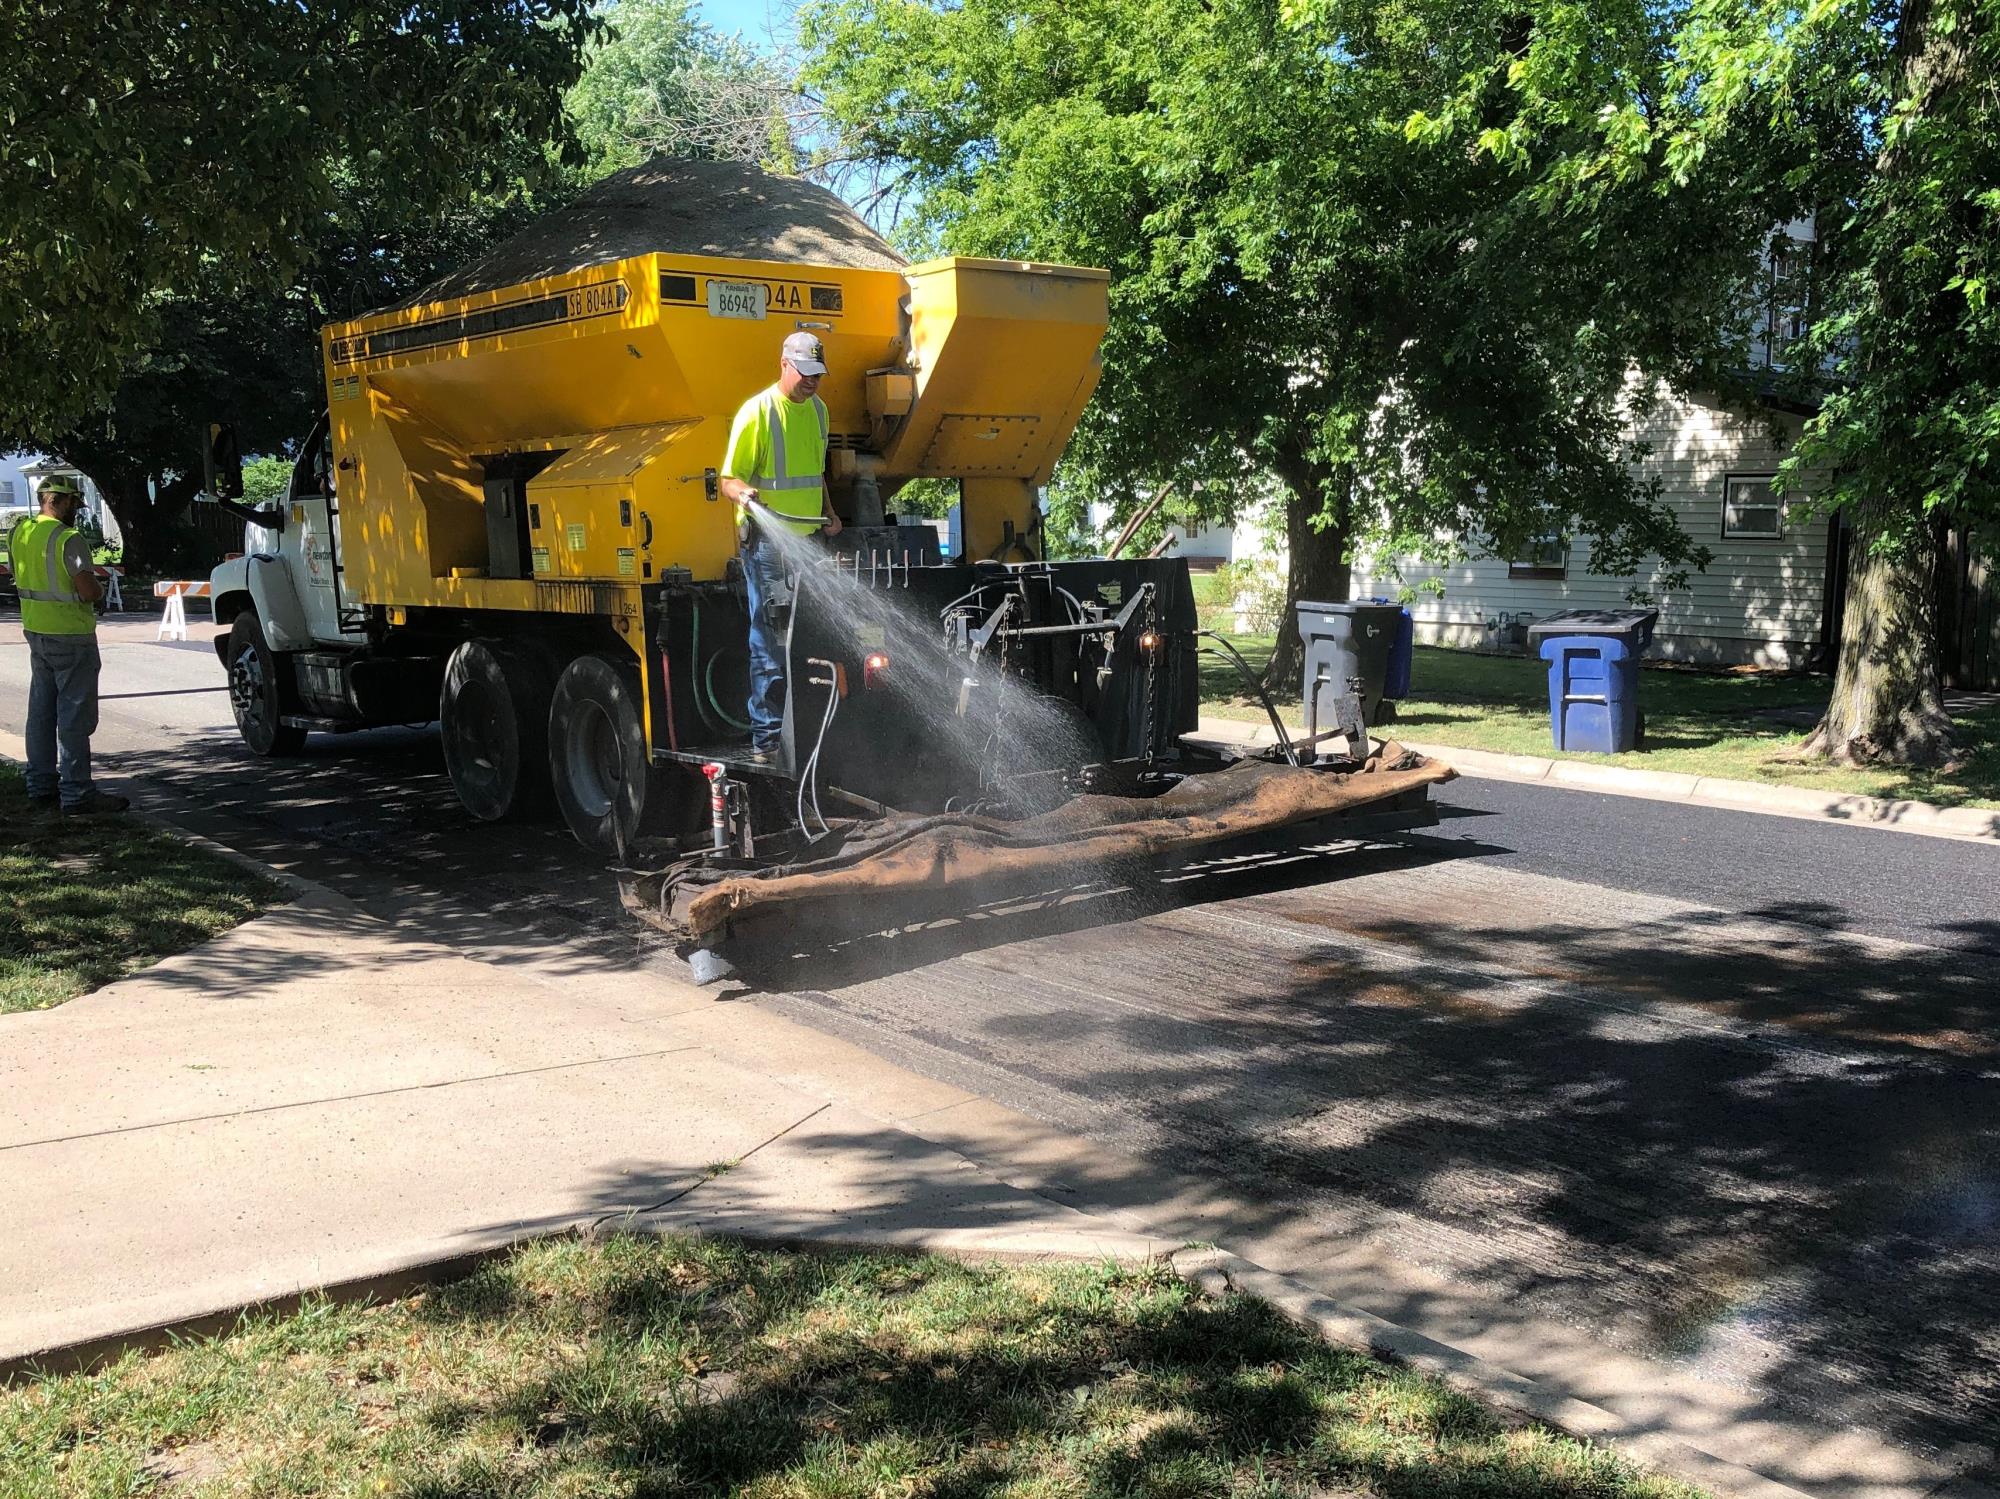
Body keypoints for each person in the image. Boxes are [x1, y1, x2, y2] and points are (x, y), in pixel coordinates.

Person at [717, 330, 844, 764]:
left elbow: (815, 472)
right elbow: (728, 480)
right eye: (806, 373)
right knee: (770, 638)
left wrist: (830, 513)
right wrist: (745, 495)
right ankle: (768, 739)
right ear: (784, 365)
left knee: (810, 634)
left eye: (818, 374)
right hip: (769, 544)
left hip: (808, 539)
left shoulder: (820, 412)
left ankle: (809, 729)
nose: (812, 382)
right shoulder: (757, 412)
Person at [10, 476, 128, 815]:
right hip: (71, 637)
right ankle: (77, 793)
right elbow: (87, 590)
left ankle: (40, 785)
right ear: (56, 501)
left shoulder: (21, 532)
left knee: (41, 713)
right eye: (73, 503)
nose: (76, 510)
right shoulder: (68, 538)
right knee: (74, 717)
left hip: (36, 631)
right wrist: (100, 593)